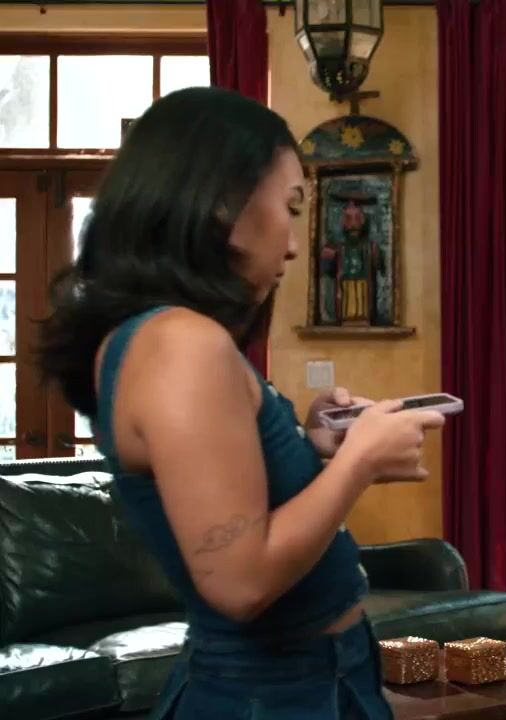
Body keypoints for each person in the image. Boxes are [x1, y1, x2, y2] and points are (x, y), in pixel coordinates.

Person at [35, 86, 441, 719]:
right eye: (291, 206)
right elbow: (240, 582)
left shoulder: (164, 337)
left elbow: (234, 500)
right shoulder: (180, 343)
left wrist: (312, 446)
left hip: (316, 680)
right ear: (222, 201)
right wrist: (358, 461)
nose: (295, 245)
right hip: (268, 695)